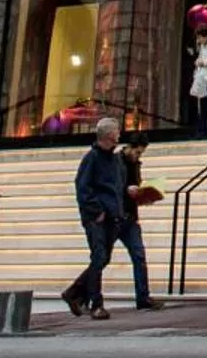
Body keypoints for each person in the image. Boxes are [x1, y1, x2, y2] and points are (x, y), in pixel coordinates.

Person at [61, 117, 127, 319]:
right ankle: (95, 304)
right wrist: (96, 210)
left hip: (113, 216)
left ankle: (74, 293)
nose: (119, 134)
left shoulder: (115, 159)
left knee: (103, 258)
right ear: (109, 134)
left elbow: (118, 186)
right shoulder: (92, 158)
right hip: (97, 217)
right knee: (98, 257)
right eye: (117, 130)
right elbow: (82, 186)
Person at [114, 141, 164, 311]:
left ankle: (143, 297)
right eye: (137, 152)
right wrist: (126, 190)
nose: (138, 156)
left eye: (141, 153)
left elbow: (136, 186)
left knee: (139, 255)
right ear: (128, 147)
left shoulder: (135, 165)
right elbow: (109, 187)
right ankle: (79, 292)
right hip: (115, 216)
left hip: (130, 217)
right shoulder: (114, 162)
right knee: (101, 258)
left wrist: (144, 196)